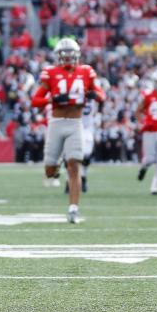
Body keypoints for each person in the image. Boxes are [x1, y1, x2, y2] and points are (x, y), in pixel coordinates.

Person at [30, 38, 105, 223]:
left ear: (77, 55)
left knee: (74, 167)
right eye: (64, 56)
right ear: (58, 57)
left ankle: (73, 209)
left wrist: (95, 95)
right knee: (49, 170)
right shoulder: (51, 73)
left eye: (71, 55)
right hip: (56, 123)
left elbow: (101, 95)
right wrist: (53, 99)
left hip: (75, 123)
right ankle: (57, 165)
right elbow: (35, 101)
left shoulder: (86, 72)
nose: (68, 59)